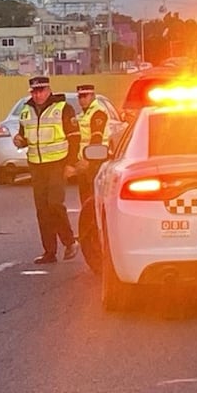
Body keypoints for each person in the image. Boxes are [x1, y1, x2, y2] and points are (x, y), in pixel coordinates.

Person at [12, 76, 80, 264]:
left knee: (54, 204)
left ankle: (69, 241)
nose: (38, 95)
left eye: (41, 90)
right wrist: (19, 140)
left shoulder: (63, 108)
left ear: (49, 90)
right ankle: (49, 251)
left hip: (57, 162)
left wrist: (71, 164)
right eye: (34, 91)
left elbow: (74, 137)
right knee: (42, 209)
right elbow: (24, 137)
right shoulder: (26, 110)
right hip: (36, 164)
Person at [74, 84, 108, 272]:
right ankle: (91, 238)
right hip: (85, 164)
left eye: (85, 96)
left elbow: (96, 139)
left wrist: (87, 160)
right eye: (80, 96)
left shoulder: (98, 113)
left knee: (92, 205)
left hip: (95, 163)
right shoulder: (83, 115)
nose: (82, 99)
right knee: (86, 204)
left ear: (93, 96)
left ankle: (95, 240)